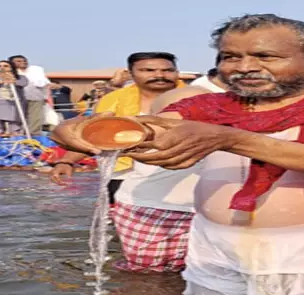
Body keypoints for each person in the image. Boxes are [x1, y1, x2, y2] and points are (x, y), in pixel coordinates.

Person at [51, 14, 304, 295]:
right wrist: (79, 131)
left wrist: (229, 138)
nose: (244, 67)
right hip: (215, 246)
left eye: (265, 56)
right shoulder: (209, 106)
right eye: (230, 57)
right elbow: (157, 126)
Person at [52, 52, 201, 274]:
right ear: (131, 74)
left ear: (177, 73)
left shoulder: (200, 98)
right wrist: (67, 161)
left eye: (167, 70)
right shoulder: (115, 101)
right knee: (146, 265)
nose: (159, 75)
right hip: (128, 179)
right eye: (148, 70)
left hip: (192, 189)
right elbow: (98, 135)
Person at [0, 60, 28, 135]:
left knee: (15, 128)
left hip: (14, 104)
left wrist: (12, 79)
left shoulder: (21, 77)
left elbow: (23, 83)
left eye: (5, 66)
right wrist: (6, 78)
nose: (2, 68)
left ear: (12, 68)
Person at [8, 55, 50, 135]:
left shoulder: (36, 70)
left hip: (35, 98)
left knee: (35, 118)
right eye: (19, 61)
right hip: (16, 99)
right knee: (18, 118)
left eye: (24, 60)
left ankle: (34, 136)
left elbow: (44, 83)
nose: (23, 62)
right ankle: (19, 135)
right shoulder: (10, 72)